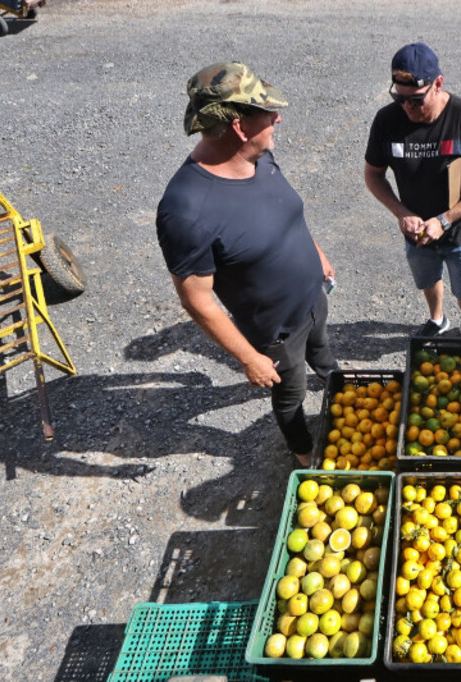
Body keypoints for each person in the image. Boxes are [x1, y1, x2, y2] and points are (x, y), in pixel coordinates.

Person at [156, 62, 338, 466]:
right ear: (239, 126)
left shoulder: (260, 158)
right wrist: (248, 358)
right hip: (275, 330)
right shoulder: (185, 209)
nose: (278, 118)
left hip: (313, 294)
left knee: (322, 349)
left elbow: (286, 212)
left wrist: (317, 252)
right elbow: (196, 299)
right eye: (268, 112)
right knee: (290, 390)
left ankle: (336, 380)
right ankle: (304, 454)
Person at [364, 42, 461, 338]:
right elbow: (373, 175)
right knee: (427, 280)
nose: (406, 107)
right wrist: (401, 212)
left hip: (458, 232)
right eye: (399, 98)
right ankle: (437, 320)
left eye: (415, 100)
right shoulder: (387, 121)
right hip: (415, 234)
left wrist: (444, 220)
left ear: (438, 84)